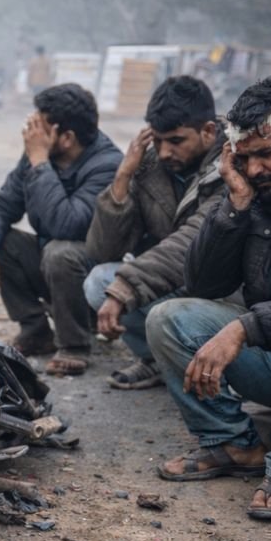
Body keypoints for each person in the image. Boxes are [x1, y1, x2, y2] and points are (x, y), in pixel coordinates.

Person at [147, 78, 271, 522]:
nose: (253, 169)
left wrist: (243, 328)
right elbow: (201, 284)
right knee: (169, 318)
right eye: (244, 157)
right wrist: (233, 206)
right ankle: (233, 444)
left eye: (265, 154)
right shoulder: (259, 189)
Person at [0, 84, 122, 376]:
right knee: (2, 242)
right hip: (53, 268)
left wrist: (40, 162)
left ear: (66, 137)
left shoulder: (107, 165)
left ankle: (75, 343)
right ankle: (36, 330)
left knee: (60, 252)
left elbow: (68, 225)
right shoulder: (38, 157)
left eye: (39, 126)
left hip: (96, 281)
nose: (30, 133)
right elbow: (2, 205)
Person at [84, 76, 225, 389]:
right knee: (98, 281)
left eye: (175, 141)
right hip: (173, 278)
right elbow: (103, 251)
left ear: (209, 132)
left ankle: (211, 365)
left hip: (224, 289)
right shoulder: (150, 167)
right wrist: (122, 178)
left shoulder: (233, 165)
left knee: (118, 286)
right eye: (158, 141)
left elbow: (193, 240)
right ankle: (157, 360)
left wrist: (124, 290)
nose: (163, 152)